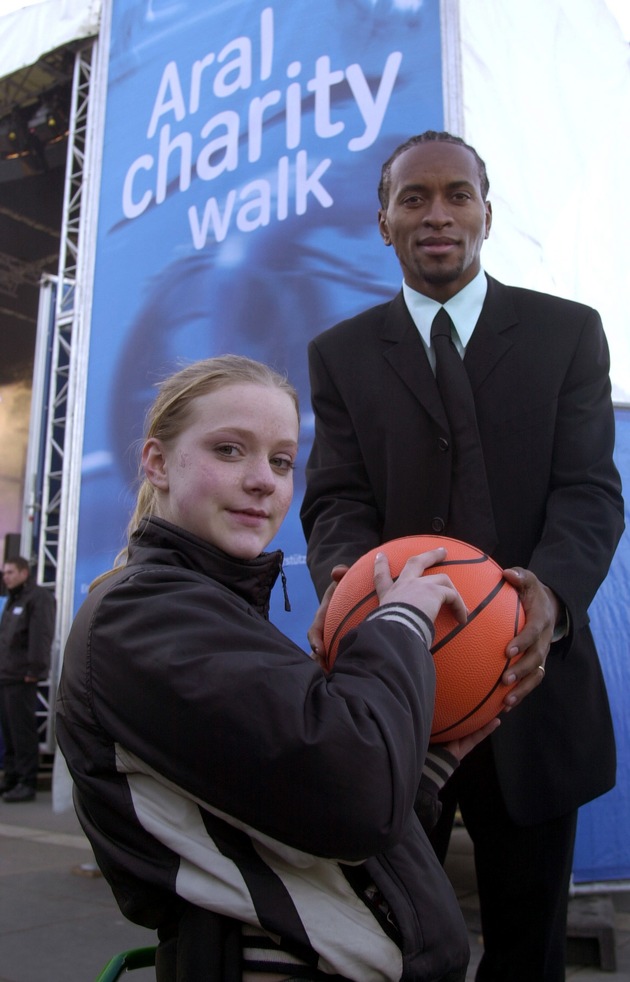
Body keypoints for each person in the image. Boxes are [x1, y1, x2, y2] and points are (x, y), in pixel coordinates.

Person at [56, 354, 499, 982]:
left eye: (282, 460)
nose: (264, 480)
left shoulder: (210, 609)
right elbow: (357, 796)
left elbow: (302, 819)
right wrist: (398, 622)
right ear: (157, 462)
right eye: (230, 450)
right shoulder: (141, 615)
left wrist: (424, 769)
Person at [300, 132, 625, 982]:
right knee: (388, 948)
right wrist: (346, 581)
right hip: (397, 698)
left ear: (486, 213)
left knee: (529, 953)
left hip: (529, 690)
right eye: (413, 199)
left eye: (455, 195)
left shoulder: (568, 333)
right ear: (383, 222)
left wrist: (550, 593)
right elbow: (337, 499)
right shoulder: (339, 355)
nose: (435, 215)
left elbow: (589, 492)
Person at [0, 555, 55, 802]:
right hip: (6, 675)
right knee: (9, 732)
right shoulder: (13, 600)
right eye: (4, 573)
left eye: (11, 572)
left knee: (22, 731)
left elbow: (41, 635)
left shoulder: (38, 597)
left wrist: (35, 670)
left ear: (24, 573)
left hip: (23, 676)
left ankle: (26, 781)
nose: (6, 576)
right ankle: (11, 777)